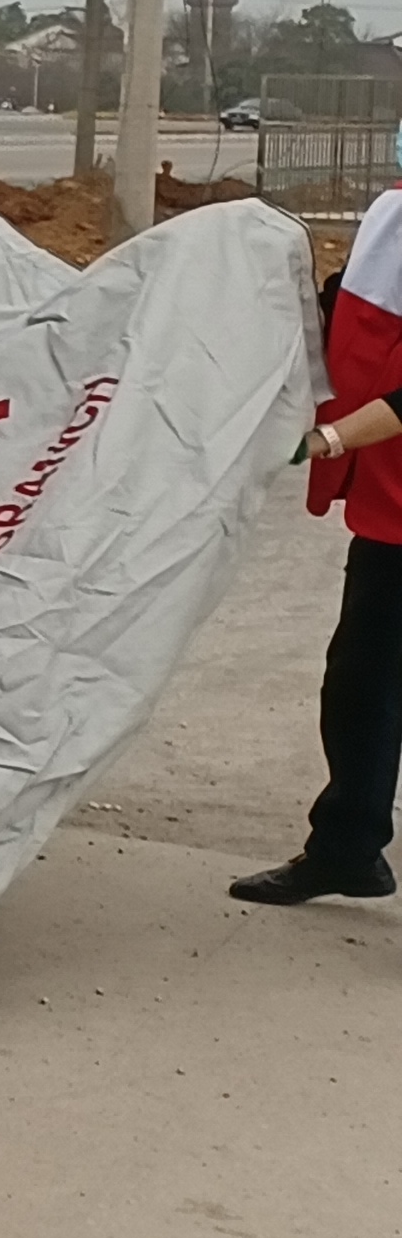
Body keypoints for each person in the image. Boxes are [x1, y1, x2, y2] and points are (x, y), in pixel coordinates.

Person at [233, 193, 402, 906]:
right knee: (361, 684)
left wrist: (323, 442)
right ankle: (346, 847)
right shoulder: (388, 225)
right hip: (391, 512)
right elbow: (331, 321)